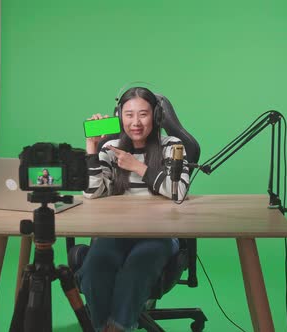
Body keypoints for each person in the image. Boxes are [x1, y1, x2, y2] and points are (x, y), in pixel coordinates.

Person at [77, 87, 190, 332]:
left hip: (159, 234)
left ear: (156, 116)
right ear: (120, 117)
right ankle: (101, 327)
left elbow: (177, 191)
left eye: (143, 114)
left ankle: (118, 327)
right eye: (128, 115)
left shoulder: (172, 145)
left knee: (137, 268)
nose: (135, 122)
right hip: (116, 232)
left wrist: (137, 166)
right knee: (95, 267)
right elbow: (91, 192)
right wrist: (92, 149)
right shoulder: (110, 147)